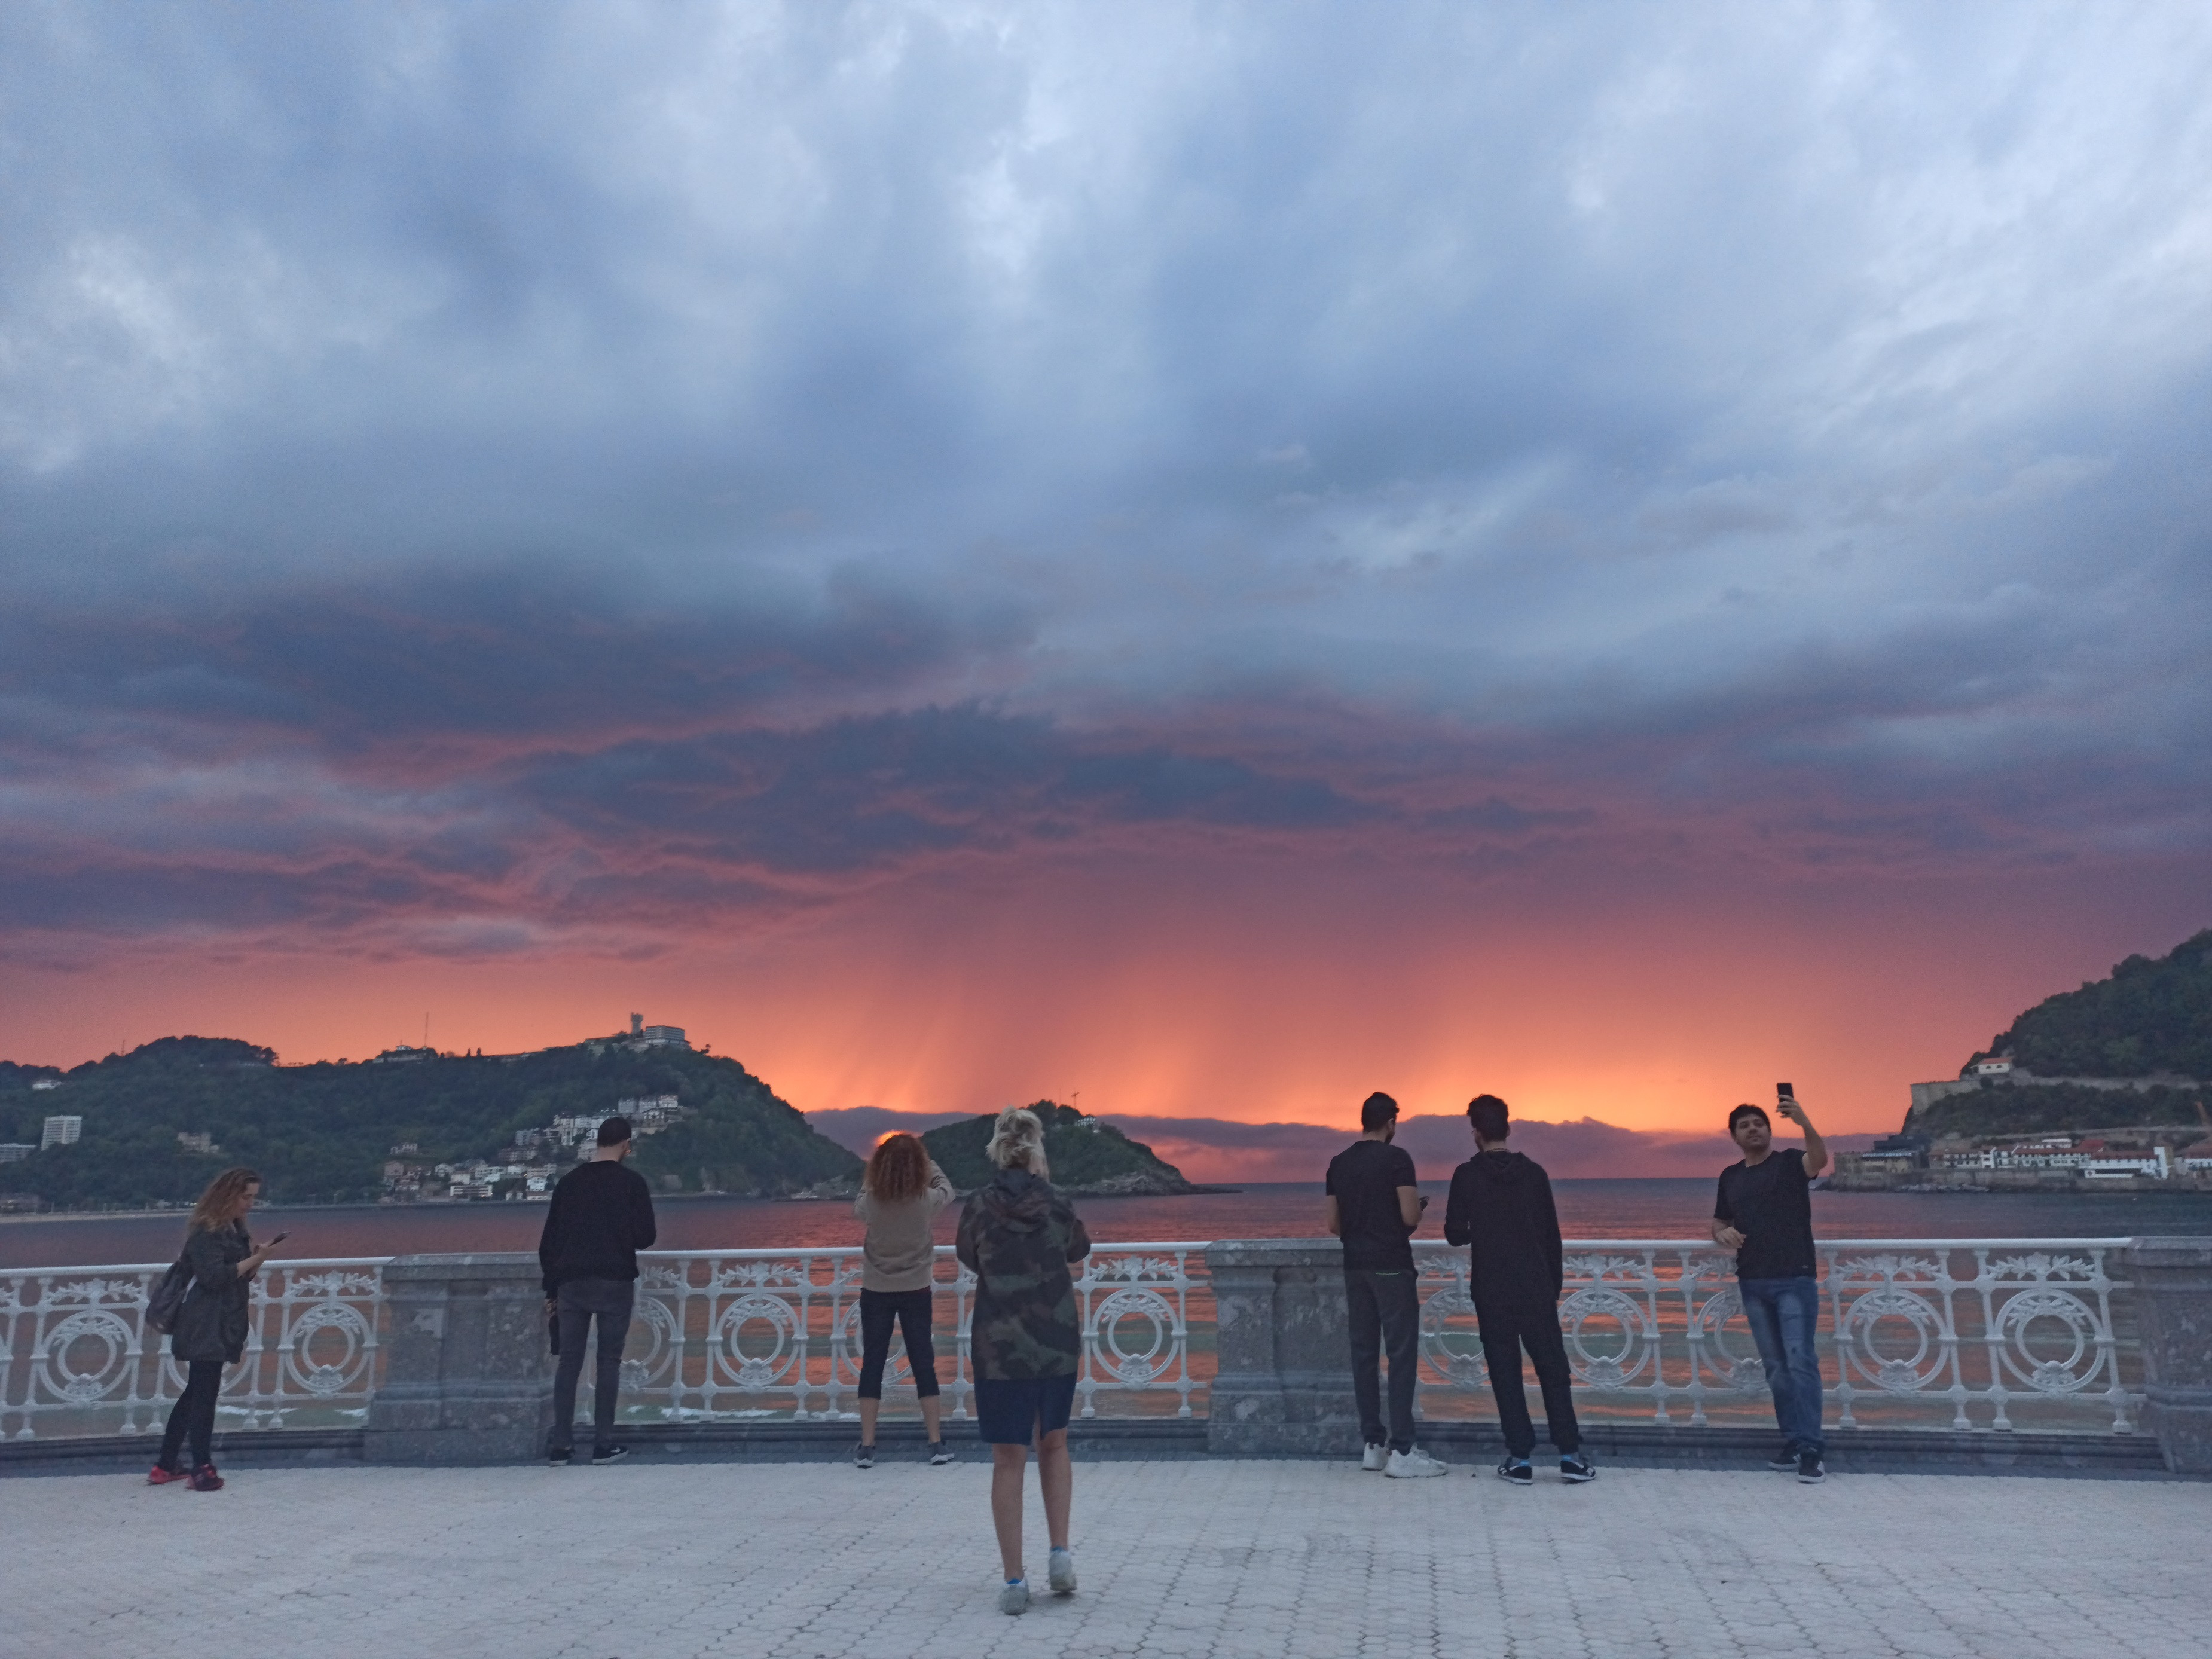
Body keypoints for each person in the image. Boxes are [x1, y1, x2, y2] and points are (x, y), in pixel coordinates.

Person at [955, 1107, 1092, 1615]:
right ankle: (1060, 1552)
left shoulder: (978, 1206)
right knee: (1054, 1445)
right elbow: (1079, 1248)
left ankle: (1015, 1580)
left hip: (998, 1348)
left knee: (1008, 1457)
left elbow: (967, 1254)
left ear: (997, 1148)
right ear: (1037, 1150)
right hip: (1055, 1341)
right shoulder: (1057, 1203)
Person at [1442, 1095, 1593, 1485]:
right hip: (1536, 1286)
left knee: (1505, 1372)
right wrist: (1551, 1286)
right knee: (1553, 1371)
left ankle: (1520, 1457)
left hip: (1492, 1288)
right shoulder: (1536, 1174)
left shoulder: (1466, 1175)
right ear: (1508, 1128)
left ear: (1475, 1132)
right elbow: (1550, 1236)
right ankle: (1570, 1455)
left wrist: (1484, 1228)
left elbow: (1455, 1234)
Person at [1324, 1091, 1446, 1478]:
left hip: (1354, 1264)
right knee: (1400, 1354)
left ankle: (1373, 1444)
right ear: (1391, 1122)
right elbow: (1409, 1213)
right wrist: (1412, 1214)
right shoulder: (1397, 1159)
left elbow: (1334, 1225)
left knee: (1364, 1353)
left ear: (1363, 1120)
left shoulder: (1339, 1163)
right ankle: (1403, 1450)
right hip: (1391, 1265)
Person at [1713, 1093, 1830, 1483]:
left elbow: (1820, 1160)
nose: (1753, 1128)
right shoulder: (1730, 1176)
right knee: (1777, 1367)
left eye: (1758, 1122)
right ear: (1735, 1136)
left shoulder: (1790, 1162)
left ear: (1769, 1128)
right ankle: (1794, 1440)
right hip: (1753, 1279)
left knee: (1800, 1359)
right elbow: (1718, 1221)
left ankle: (1813, 1447)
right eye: (1744, 1125)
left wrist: (1804, 1120)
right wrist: (1722, 1232)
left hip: (1794, 1276)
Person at [149, 1167, 280, 1490]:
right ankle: (202, 1468)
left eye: (253, 1197)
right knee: (204, 1396)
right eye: (245, 1196)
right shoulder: (208, 1232)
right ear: (227, 1196)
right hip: (204, 1320)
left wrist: (259, 1258)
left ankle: (166, 1466)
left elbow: (237, 1277)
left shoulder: (233, 1230)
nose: (250, 1204)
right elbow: (215, 1278)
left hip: (220, 1318)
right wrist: (255, 1259)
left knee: (196, 1392)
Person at [539, 1114, 658, 1466]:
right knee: (609, 1362)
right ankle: (603, 1445)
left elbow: (550, 1242)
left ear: (597, 1143)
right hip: (614, 1283)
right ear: (626, 1145)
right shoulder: (632, 1183)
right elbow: (646, 1237)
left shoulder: (569, 1184)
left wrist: (551, 1289)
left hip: (572, 1284)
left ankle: (561, 1446)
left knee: (569, 1364)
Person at [851, 1131, 957, 1468]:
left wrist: (874, 1181)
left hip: (876, 1289)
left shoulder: (873, 1201)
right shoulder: (926, 1200)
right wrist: (930, 1164)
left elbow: (859, 1207)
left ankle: (867, 1445)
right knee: (923, 1363)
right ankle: (936, 1442)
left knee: (873, 1364)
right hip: (916, 1289)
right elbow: (948, 1190)